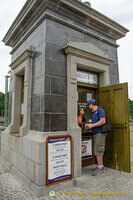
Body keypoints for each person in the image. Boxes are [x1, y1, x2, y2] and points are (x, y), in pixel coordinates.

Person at [85, 99, 107, 176]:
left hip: (100, 133)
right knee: (96, 150)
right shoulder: (93, 112)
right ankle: (99, 166)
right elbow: (95, 122)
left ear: (91, 104)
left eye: (88, 105)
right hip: (95, 133)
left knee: (99, 149)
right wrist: (89, 125)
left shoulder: (100, 110)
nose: (88, 106)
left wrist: (92, 125)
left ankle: (101, 167)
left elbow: (103, 121)